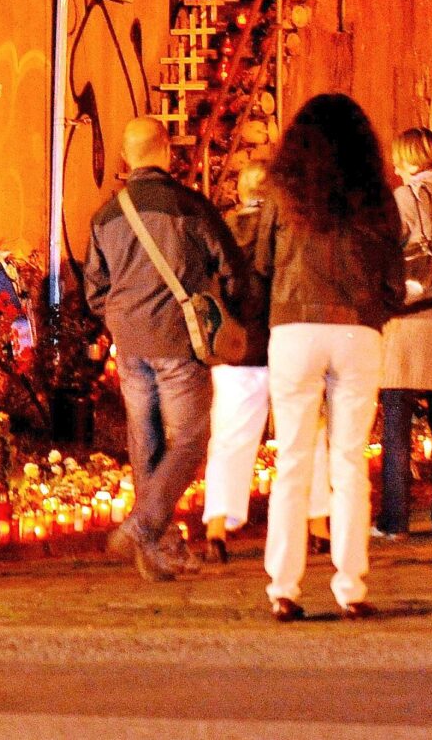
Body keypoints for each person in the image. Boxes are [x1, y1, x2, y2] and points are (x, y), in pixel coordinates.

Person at [246, 93, 405, 620]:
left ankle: (284, 588)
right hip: (357, 330)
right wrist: (376, 310)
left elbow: (262, 262)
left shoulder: (281, 192)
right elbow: (392, 269)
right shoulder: (376, 194)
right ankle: (351, 585)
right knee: (349, 461)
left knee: (292, 460)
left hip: (293, 327)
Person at [81, 116, 239, 581]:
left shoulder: (106, 215)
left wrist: (118, 318)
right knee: (189, 440)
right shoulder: (190, 207)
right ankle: (145, 526)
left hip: (129, 343)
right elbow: (230, 267)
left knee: (146, 443)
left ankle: (161, 550)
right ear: (167, 151)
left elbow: (94, 288)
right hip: (178, 339)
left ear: (127, 157)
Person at [375, 127, 432, 538]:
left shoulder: (401, 199)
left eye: (399, 157)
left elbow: (383, 253)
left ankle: (394, 521)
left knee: (396, 420)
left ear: (412, 158)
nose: (395, 166)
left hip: (408, 317)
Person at [199, 126, 276, 563]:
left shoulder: (221, 231)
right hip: (281, 339)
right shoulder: (286, 230)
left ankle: (217, 527)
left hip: (234, 347)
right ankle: (317, 522)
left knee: (229, 437)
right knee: (306, 435)